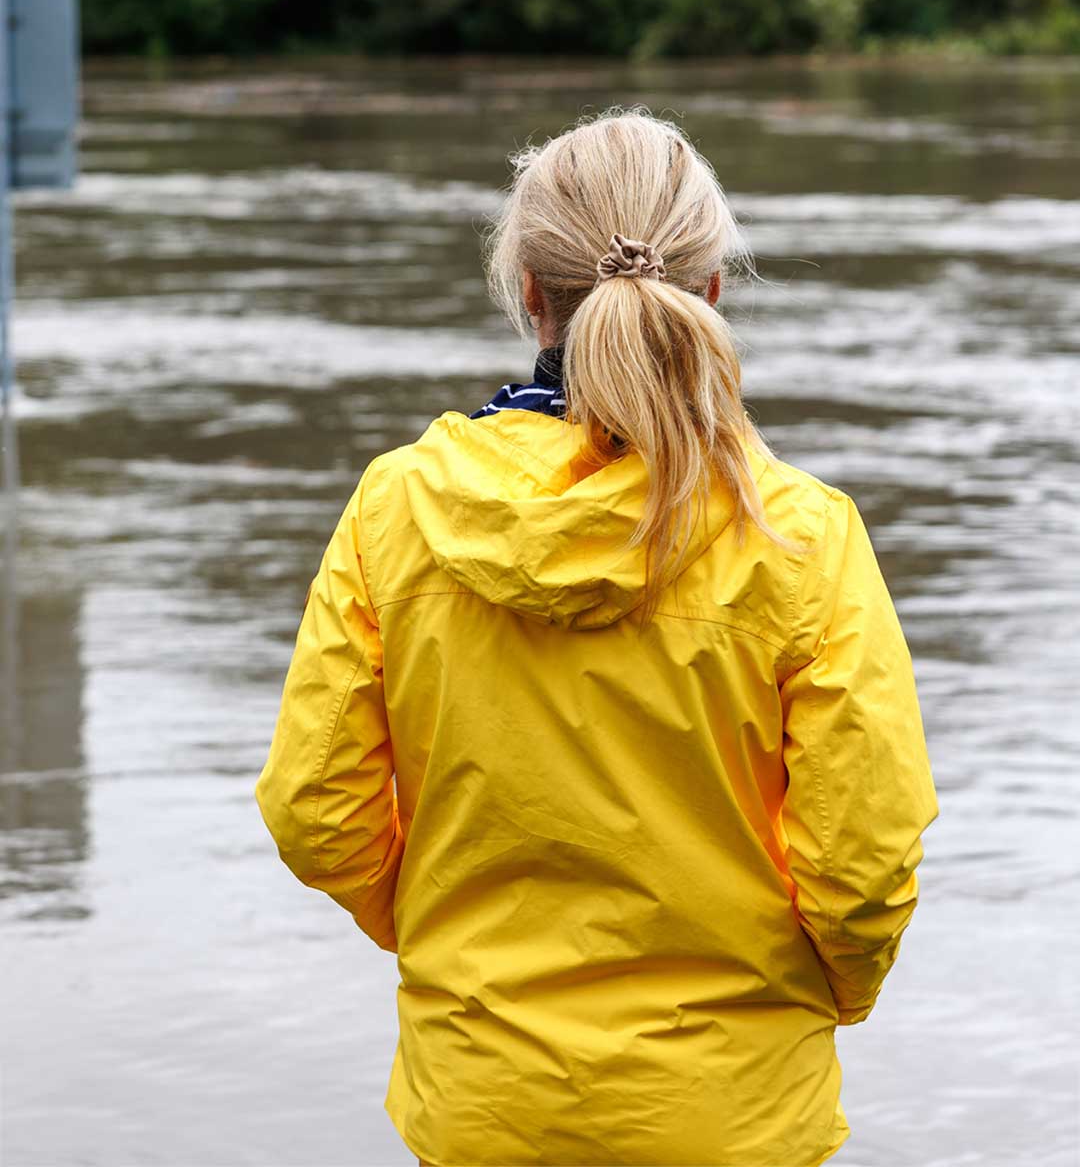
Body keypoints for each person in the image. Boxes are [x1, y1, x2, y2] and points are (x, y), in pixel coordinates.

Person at [255, 107, 939, 1167]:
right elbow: (864, 860)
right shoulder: (800, 536)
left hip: (485, 1099)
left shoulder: (398, 511)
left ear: (529, 292)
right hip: (734, 1112)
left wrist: (445, 930)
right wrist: (821, 994)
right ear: (711, 291)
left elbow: (314, 812)